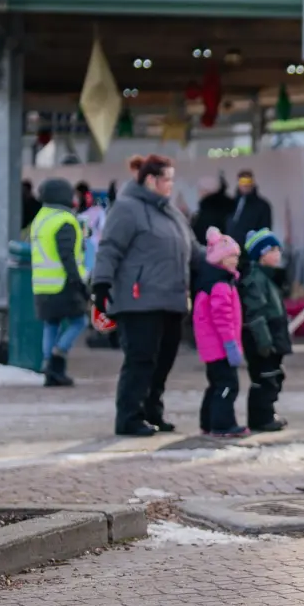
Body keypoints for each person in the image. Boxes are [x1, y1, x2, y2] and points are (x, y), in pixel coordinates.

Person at [90, 154, 202, 437]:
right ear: (151, 180)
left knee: (163, 360)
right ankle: (129, 416)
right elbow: (110, 248)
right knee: (141, 359)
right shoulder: (127, 209)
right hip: (139, 300)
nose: (171, 185)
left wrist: (222, 258)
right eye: (167, 179)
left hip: (172, 299)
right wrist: (101, 285)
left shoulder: (172, 213)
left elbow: (194, 250)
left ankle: (153, 411)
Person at [28, 178, 89, 387]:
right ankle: (57, 356)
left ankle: (48, 367)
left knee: (51, 324)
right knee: (80, 322)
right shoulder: (64, 220)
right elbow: (68, 256)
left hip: (41, 284)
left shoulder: (41, 218)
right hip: (63, 284)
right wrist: (79, 282)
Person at [190, 228, 248, 437]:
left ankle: (208, 422)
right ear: (220, 259)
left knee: (215, 384)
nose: (235, 261)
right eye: (230, 256)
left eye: (236, 256)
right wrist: (230, 344)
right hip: (220, 347)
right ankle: (222, 424)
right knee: (227, 385)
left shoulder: (212, 281)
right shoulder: (220, 284)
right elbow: (223, 319)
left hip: (212, 347)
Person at [239, 227, 292, 432]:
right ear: (260, 255)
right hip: (264, 339)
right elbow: (255, 314)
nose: (277, 254)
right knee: (265, 377)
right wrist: (263, 341)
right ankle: (261, 417)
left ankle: (267, 412)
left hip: (273, 336)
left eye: (278, 250)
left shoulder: (268, 277)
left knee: (274, 375)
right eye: (272, 251)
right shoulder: (255, 279)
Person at [224, 169, 273, 248]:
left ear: (252, 183)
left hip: (250, 251)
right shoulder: (232, 203)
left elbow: (265, 232)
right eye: (242, 181)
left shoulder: (262, 206)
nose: (245, 185)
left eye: (248, 181)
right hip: (230, 251)